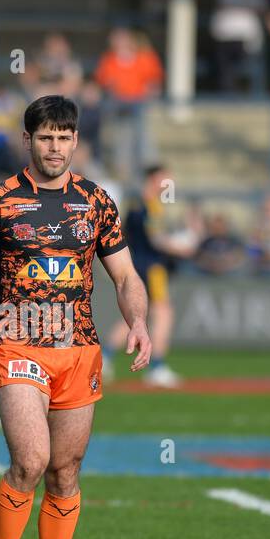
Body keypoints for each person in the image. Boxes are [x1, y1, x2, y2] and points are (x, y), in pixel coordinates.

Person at [0, 94, 151, 539]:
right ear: (27, 139)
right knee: (30, 461)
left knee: (65, 470)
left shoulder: (97, 202)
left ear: (76, 140)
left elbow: (125, 275)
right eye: (44, 137)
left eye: (63, 137)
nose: (54, 147)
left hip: (79, 349)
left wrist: (139, 321)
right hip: (16, 340)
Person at [107, 163, 199, 387]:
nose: (169, 185)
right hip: (152, 266)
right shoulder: (149, 206)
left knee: (134, 317)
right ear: (155, 179)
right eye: (165, 180)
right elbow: (157, 240)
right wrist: (182, 248)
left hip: (136, 263)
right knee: (163, 313)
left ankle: (104, 358)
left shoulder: (138, 204)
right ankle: (156, 366)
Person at [93, 27, 163, 181]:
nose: (120, 43)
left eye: (123, 39)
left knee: (140, 133)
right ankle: (122, 168)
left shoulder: (143, 57)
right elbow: (103, 81)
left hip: (138, 103)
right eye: (117, 39)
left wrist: (150, 89)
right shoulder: (109, 60)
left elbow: (154, 79)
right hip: (118, 103)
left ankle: (146, 167)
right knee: (120, 134)